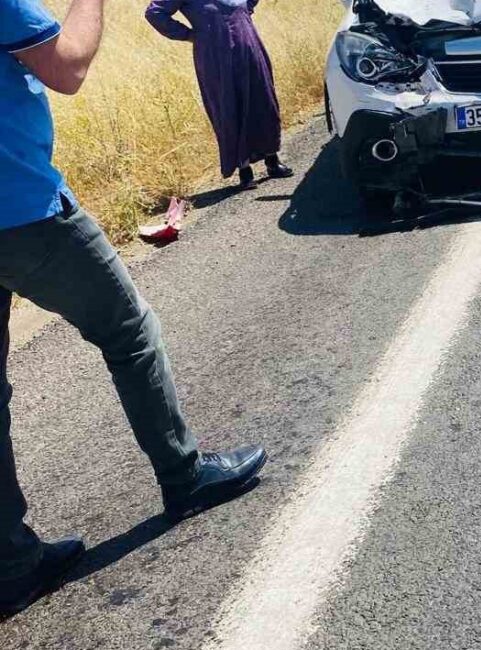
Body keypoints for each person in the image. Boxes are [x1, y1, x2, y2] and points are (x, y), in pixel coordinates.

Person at [0, 0, 268, 617]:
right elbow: (66, 68)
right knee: (128, 333)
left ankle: (10, 562)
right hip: (20, 211)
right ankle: (185, 476)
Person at [146, 0, 294, 190]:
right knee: (229, 105)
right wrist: (188, 34)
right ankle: (244, 169)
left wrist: (244, 12)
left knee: (263, 99)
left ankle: (272, 161)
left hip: (248, 44)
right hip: (214, 55)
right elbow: (155, 13)